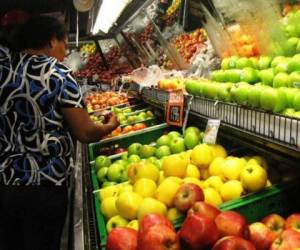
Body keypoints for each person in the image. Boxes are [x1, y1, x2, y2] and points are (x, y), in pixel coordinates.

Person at [0, 15, 119, 250]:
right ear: (52, 41)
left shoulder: (6, 71)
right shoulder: (58, 74)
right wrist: (108, 126)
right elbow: (84, 133)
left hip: (6, 183)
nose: (66, 52)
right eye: (65, 44)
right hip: (45, 186)